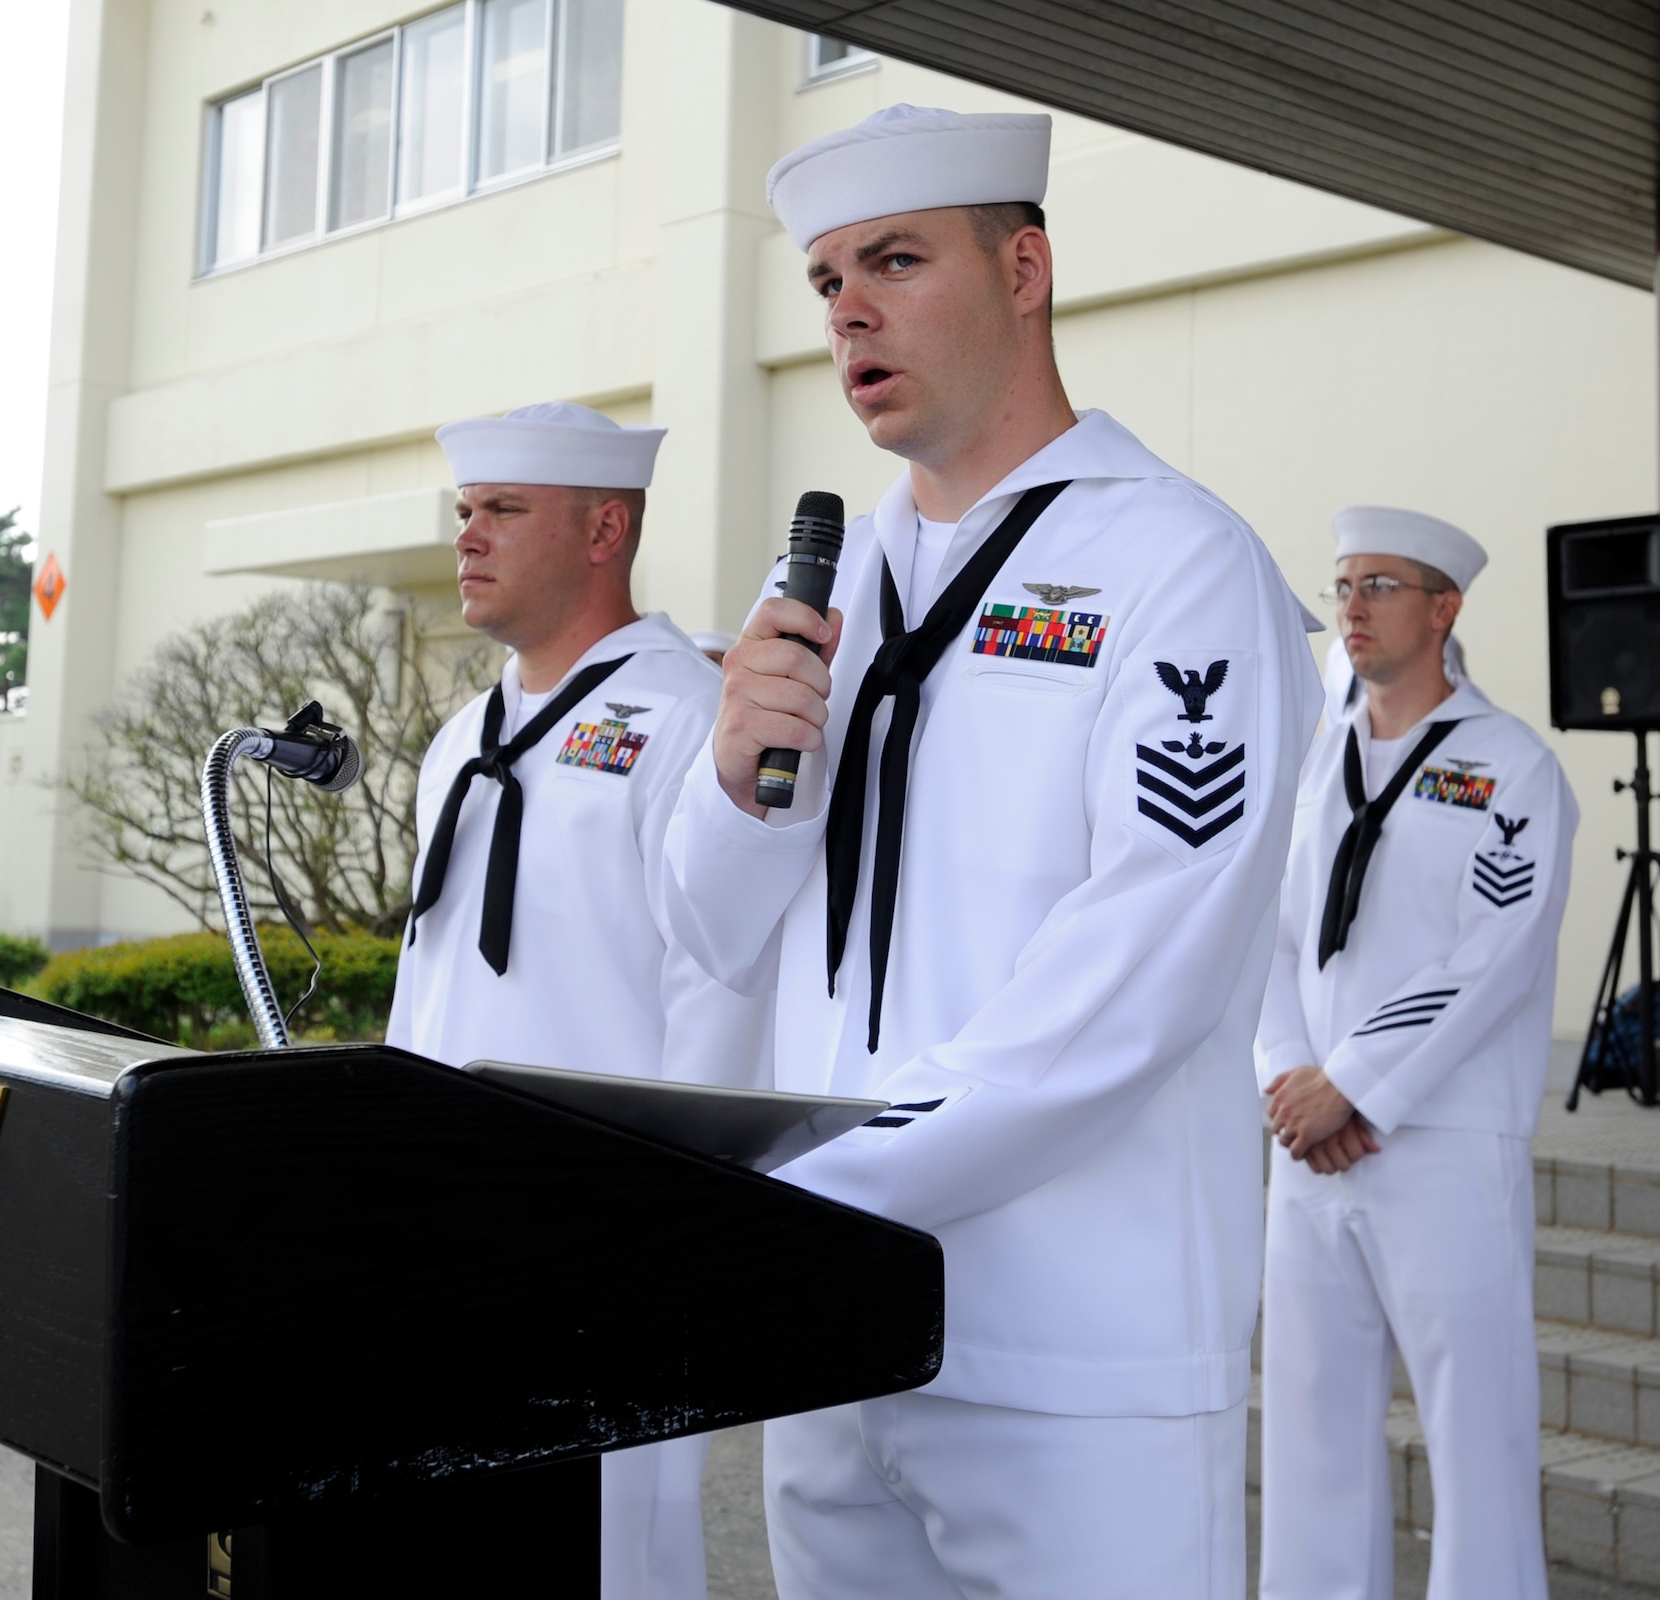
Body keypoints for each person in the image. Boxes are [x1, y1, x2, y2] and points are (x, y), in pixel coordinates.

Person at [660, 104, 1320, 1599]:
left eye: (895, 259)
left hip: (1071, 1348)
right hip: (840, 1328)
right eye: (827, 280)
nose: (849, 312)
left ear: (1025, 269)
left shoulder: (1178, 561)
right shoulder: (840, 583)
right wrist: (731, 776)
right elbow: (713, 931)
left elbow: (1139, 969)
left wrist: (828, 1196)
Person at [387, 400, 764, 1600]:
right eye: (464, 512)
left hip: (605, 1242)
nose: (468, 538)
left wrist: (668, 1230)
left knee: (612, 1562)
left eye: (502, 510)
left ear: (606, 529)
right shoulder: (457, 743)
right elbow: (427, 986)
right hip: (443, 1231)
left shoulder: (686, 719)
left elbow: (720, 996)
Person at [1256, 507, 1576, 1600]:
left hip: (1439, 1138)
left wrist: (1349, 1080)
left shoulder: (1510, 768)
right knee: (1307, 1431)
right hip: (1308, 1142)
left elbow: (1490, 957)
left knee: (1474, 1431)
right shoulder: (1314, 761)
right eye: (1342, 582)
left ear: (1442, 608)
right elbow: (1274, 932)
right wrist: (1288, 1079)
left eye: (1378, 584)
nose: (1348, 605)